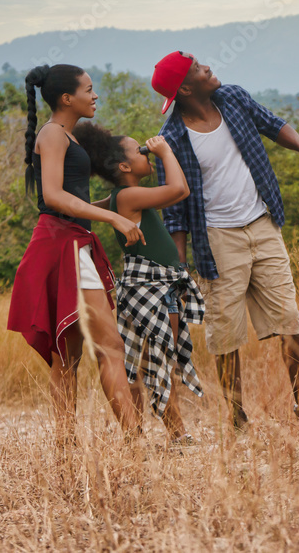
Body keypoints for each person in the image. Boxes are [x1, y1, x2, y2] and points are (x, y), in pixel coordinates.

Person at [151, 51, 299, 429]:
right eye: (198, 69)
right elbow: (174, 211)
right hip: (216, 240)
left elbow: (272, 124)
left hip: (263, 224)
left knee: (290, 319)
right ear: (186, 89)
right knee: (225, 333)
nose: (207, 68)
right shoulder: (172, 139)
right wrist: (178, 269)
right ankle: (236, 417)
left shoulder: (233, 97)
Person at [7, 64, 145, 440]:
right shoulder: (53, 133)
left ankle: (66, 450)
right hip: (62, 245)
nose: (95, 95)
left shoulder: (66, 135)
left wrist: (113, 204)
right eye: (88, 89)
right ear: (67, 98)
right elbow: (53, 197)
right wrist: (111, 217)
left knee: (68, 359)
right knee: (109, 347)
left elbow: (73, 199)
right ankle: (136, 444)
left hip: (69, 240)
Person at [73, 121, 204, 446]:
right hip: (153, 289)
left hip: (148, 288)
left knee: (142, 362)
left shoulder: (120, 197)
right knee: (158, 363)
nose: (148, 154)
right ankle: (177, 434)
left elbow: (90, 209)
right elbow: (180, 190)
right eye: (141, 151)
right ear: (125, 166)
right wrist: (165, 151)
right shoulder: (129, 196)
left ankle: (140, 432)